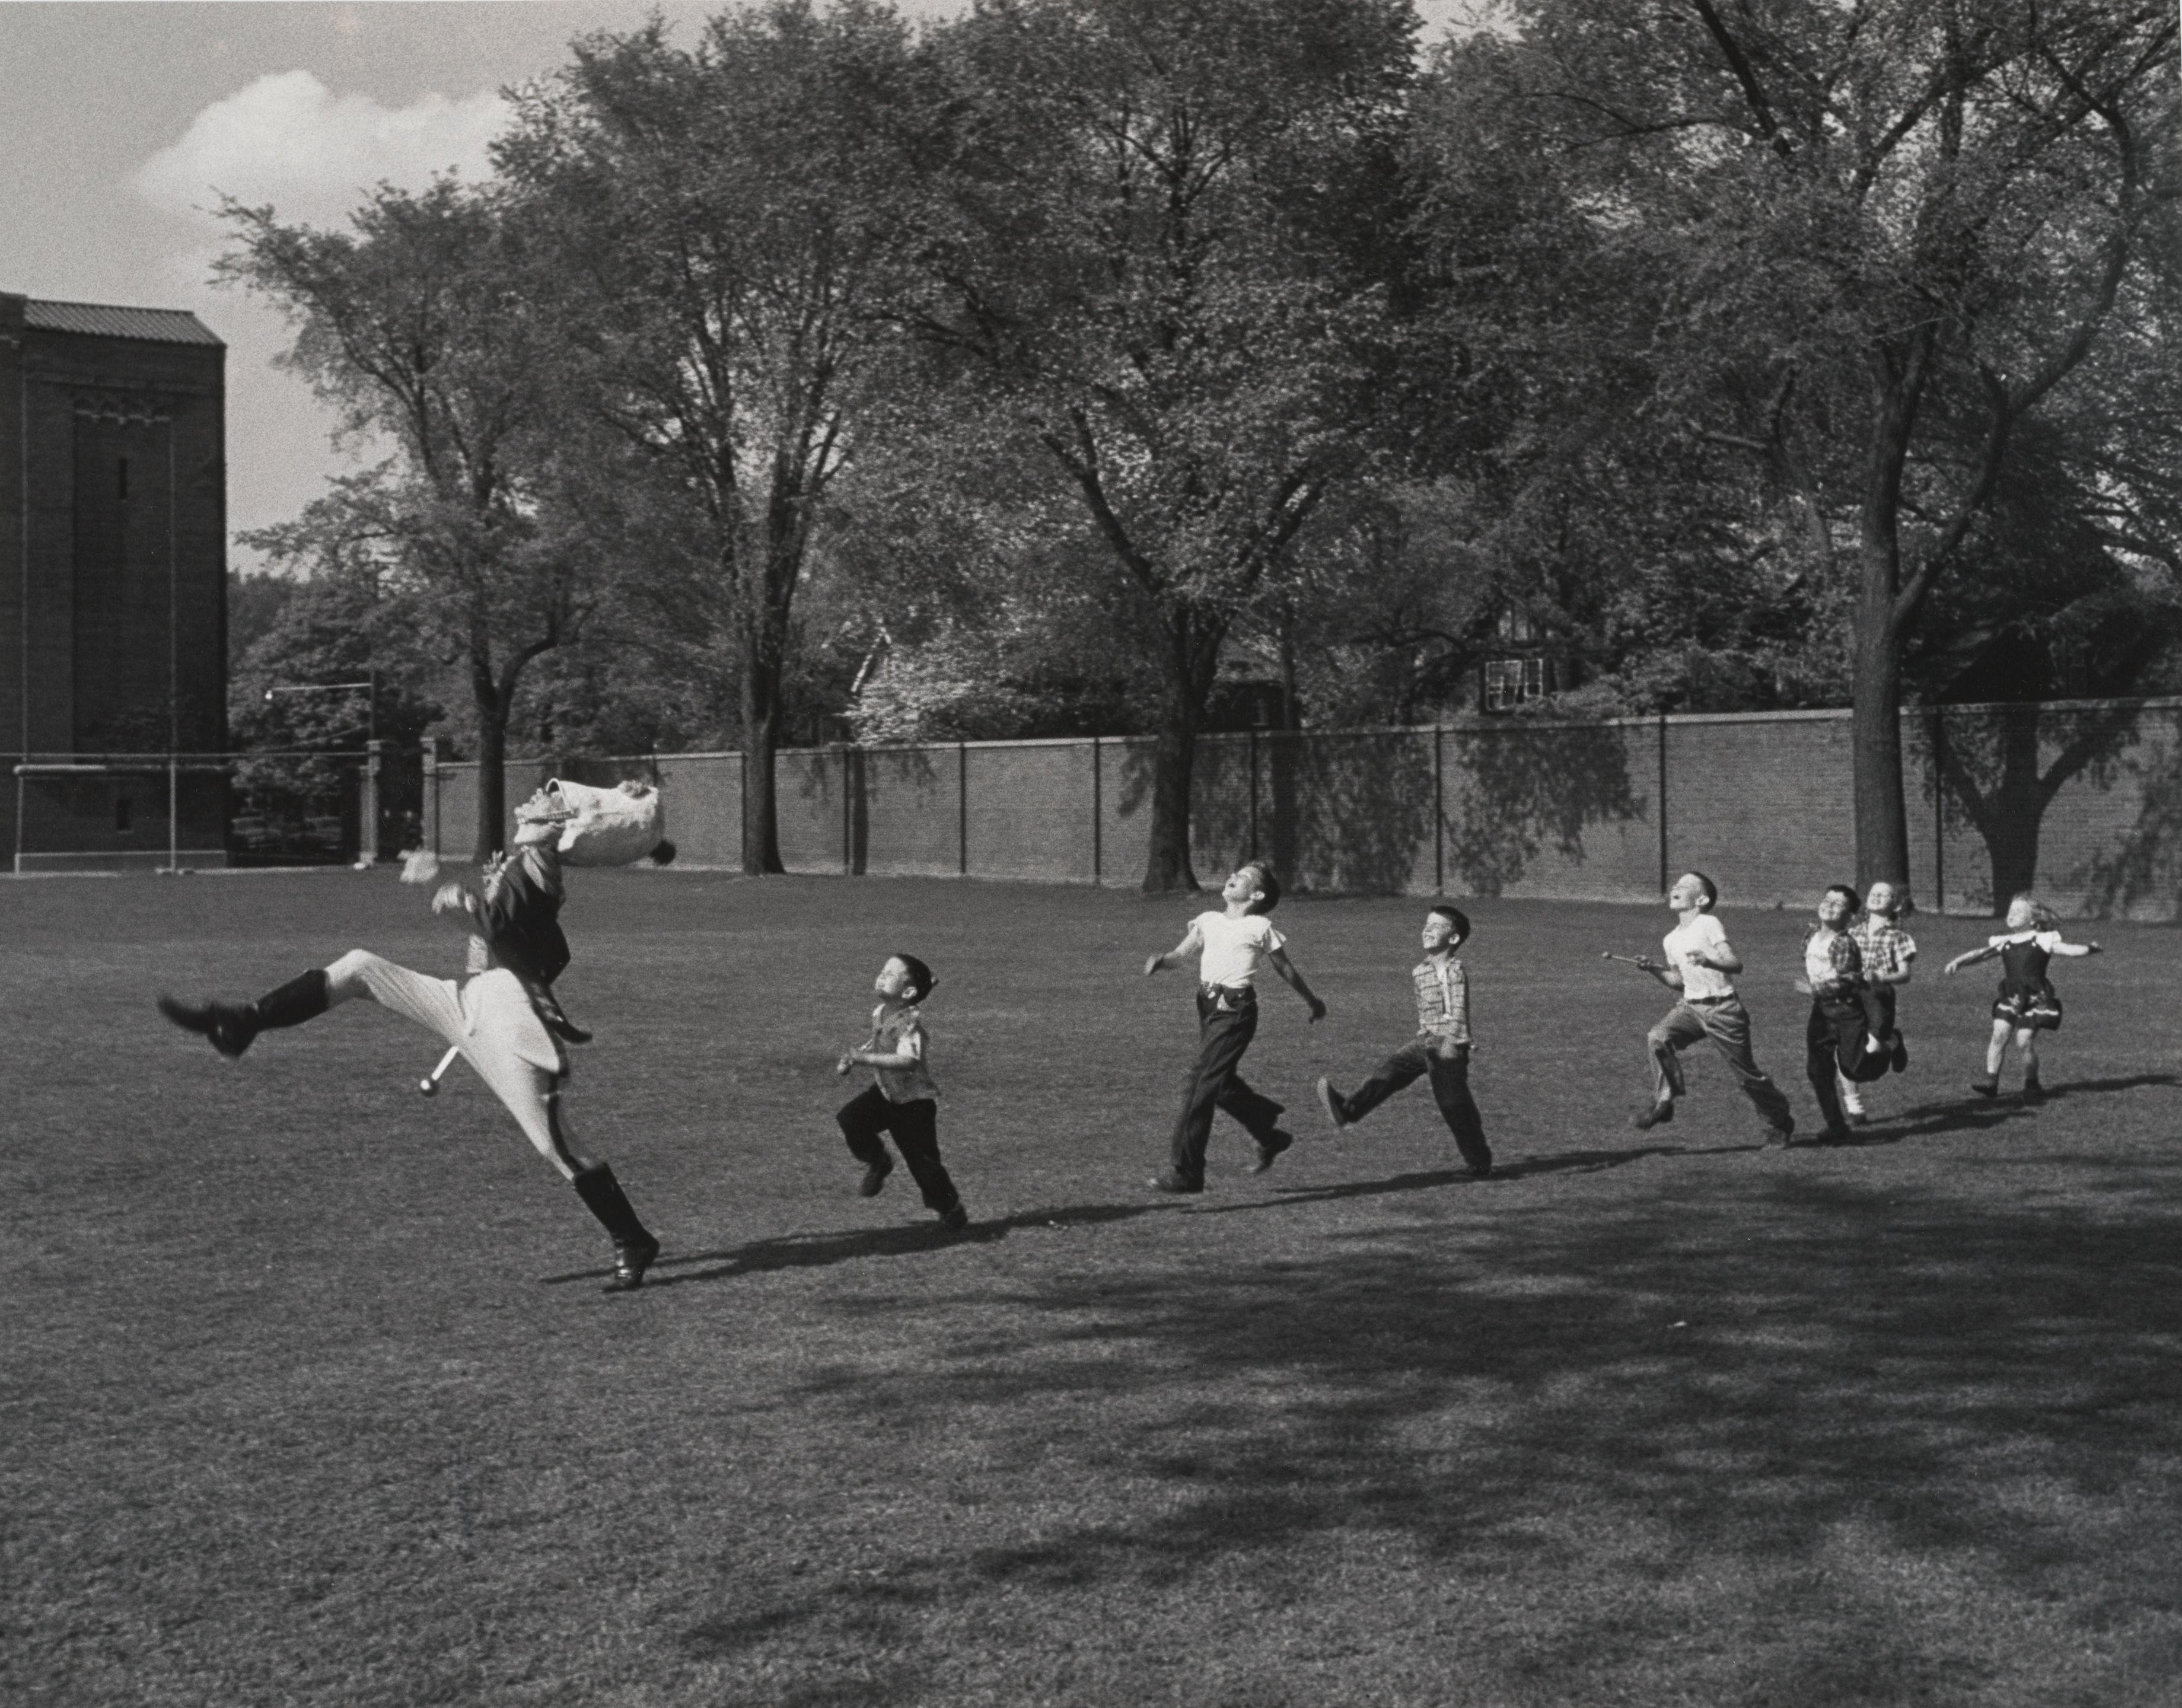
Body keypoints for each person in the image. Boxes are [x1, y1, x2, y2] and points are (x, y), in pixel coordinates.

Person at [155, 785, 662, 1292]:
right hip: (470, 997)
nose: (526, 803)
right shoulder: (524, 863)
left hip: (507, 1013)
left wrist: (449, 891)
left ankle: (631, 1238)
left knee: (558, 1147)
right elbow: (541, 945)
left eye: (541, 804)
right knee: (360, 968)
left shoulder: (535, 863)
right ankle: (241, 1023)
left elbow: (497, 922)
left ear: (559, 826)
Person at [1143, 860, 1325, 1194]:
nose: (1232, 877)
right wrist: (1162, 961)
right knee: (1219, 1083)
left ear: (1255, 894)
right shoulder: (1208, 920)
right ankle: (1268, 1132)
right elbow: (1183, 953)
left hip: (1236, 1012)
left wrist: (1312, 1001)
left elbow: (1286, 969)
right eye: (1234, 874)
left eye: (1241, 878)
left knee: (1199, 1085)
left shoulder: (1259, 926)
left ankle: (1187, 1171)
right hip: (1208, 1006)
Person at [1314, 903, 1492, 1178]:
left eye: (1436, 927)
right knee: (1389, 1072)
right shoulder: (1420, 971)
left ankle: (1479, 1163)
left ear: (1454, 939)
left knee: (1455, 1107)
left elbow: (1459, 1007)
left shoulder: (1454, 970)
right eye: (1426, 925)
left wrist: (1455, 1040)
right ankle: (1348, 1111)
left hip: (1447, 1047)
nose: (1427, 930)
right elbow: (1426, 1011)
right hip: (1425, 1042)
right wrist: (1425, 1034)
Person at [1623, 870, 1796, 1145]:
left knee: (1747, 1076)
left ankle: (1778, 1121)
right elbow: (1679, 981)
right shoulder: (1670, 939)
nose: (1675, 887)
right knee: (1658, 1037)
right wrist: (1653, 969)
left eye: (1684, 885)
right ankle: (1664, 1101)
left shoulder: (1708, 923)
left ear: (1701, 899)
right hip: (1690, 1008)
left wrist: (1709, 961)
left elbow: (1735, 964)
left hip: (1723, 1009)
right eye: (1676, 884)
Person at [834, 952, 968, 1232]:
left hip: (913, 1106)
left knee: (924, 1166)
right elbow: (879, 1038)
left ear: (908, 992)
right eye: (882, 971)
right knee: (851, 1119)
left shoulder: (910, 1025)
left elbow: (908, 1061)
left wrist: (863, 1060)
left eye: (890, 974)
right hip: (885, 1095)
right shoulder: (880, 1013)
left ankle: (951, 1209)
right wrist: (858, 1054)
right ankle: (878, 1161)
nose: (881, 976)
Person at [1943, 893, 2102, 1102]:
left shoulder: (2044, 939)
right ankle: (1991, 1081)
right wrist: (1959, 961)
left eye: (2018, 912)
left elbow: (2068, 950)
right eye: (2011, 911)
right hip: (2010, 996)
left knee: (2024, 1041)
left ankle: (2032, 1083)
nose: (2012, 915)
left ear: (2033, 920)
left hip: (2035, 997)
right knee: (1999, 1035)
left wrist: (2089, 949)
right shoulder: (2004, 941)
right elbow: (1981, 954)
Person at [1798, 885, 1894, 1139]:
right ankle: (1836, 1126)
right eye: (1827, 900)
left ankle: (1891, 1044)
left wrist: (1815, 988)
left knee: (1855, 1070)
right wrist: (1817, 991)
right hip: (1821, 1011)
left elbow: (1847, 980)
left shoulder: (1843, 942)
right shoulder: (1810, 936)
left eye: (1838, 904)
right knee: (1817, 1069)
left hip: (1846, 1010)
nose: (1829, 905)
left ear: (1850, 916)